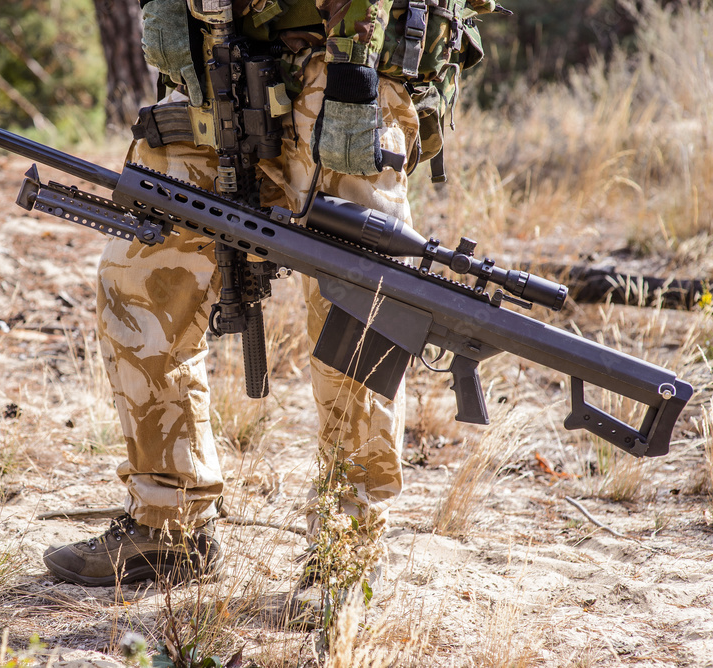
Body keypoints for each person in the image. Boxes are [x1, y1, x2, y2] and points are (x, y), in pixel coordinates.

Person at [43, 0, 496, 611]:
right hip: (218, 67)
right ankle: (169, 525)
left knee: (357, 311)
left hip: (346, 69)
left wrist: (355, 72)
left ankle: (347, 546)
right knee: (141, 277)